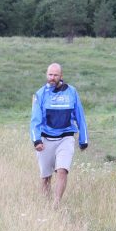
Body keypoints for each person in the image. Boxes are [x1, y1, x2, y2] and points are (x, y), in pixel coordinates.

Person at [30, 63, 89, 208]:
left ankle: (56, 203)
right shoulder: (40, 94)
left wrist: (83, 139)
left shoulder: (72, 92)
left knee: (62, 171)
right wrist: (36, 140)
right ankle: (46, 205)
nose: (52, 78)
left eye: (55, 75)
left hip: (66, 137)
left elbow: (80, 116)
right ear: (46, 75)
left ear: (61, 76)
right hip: (45, 139)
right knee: (46, 177)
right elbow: (35, 120)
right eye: (50, 74)